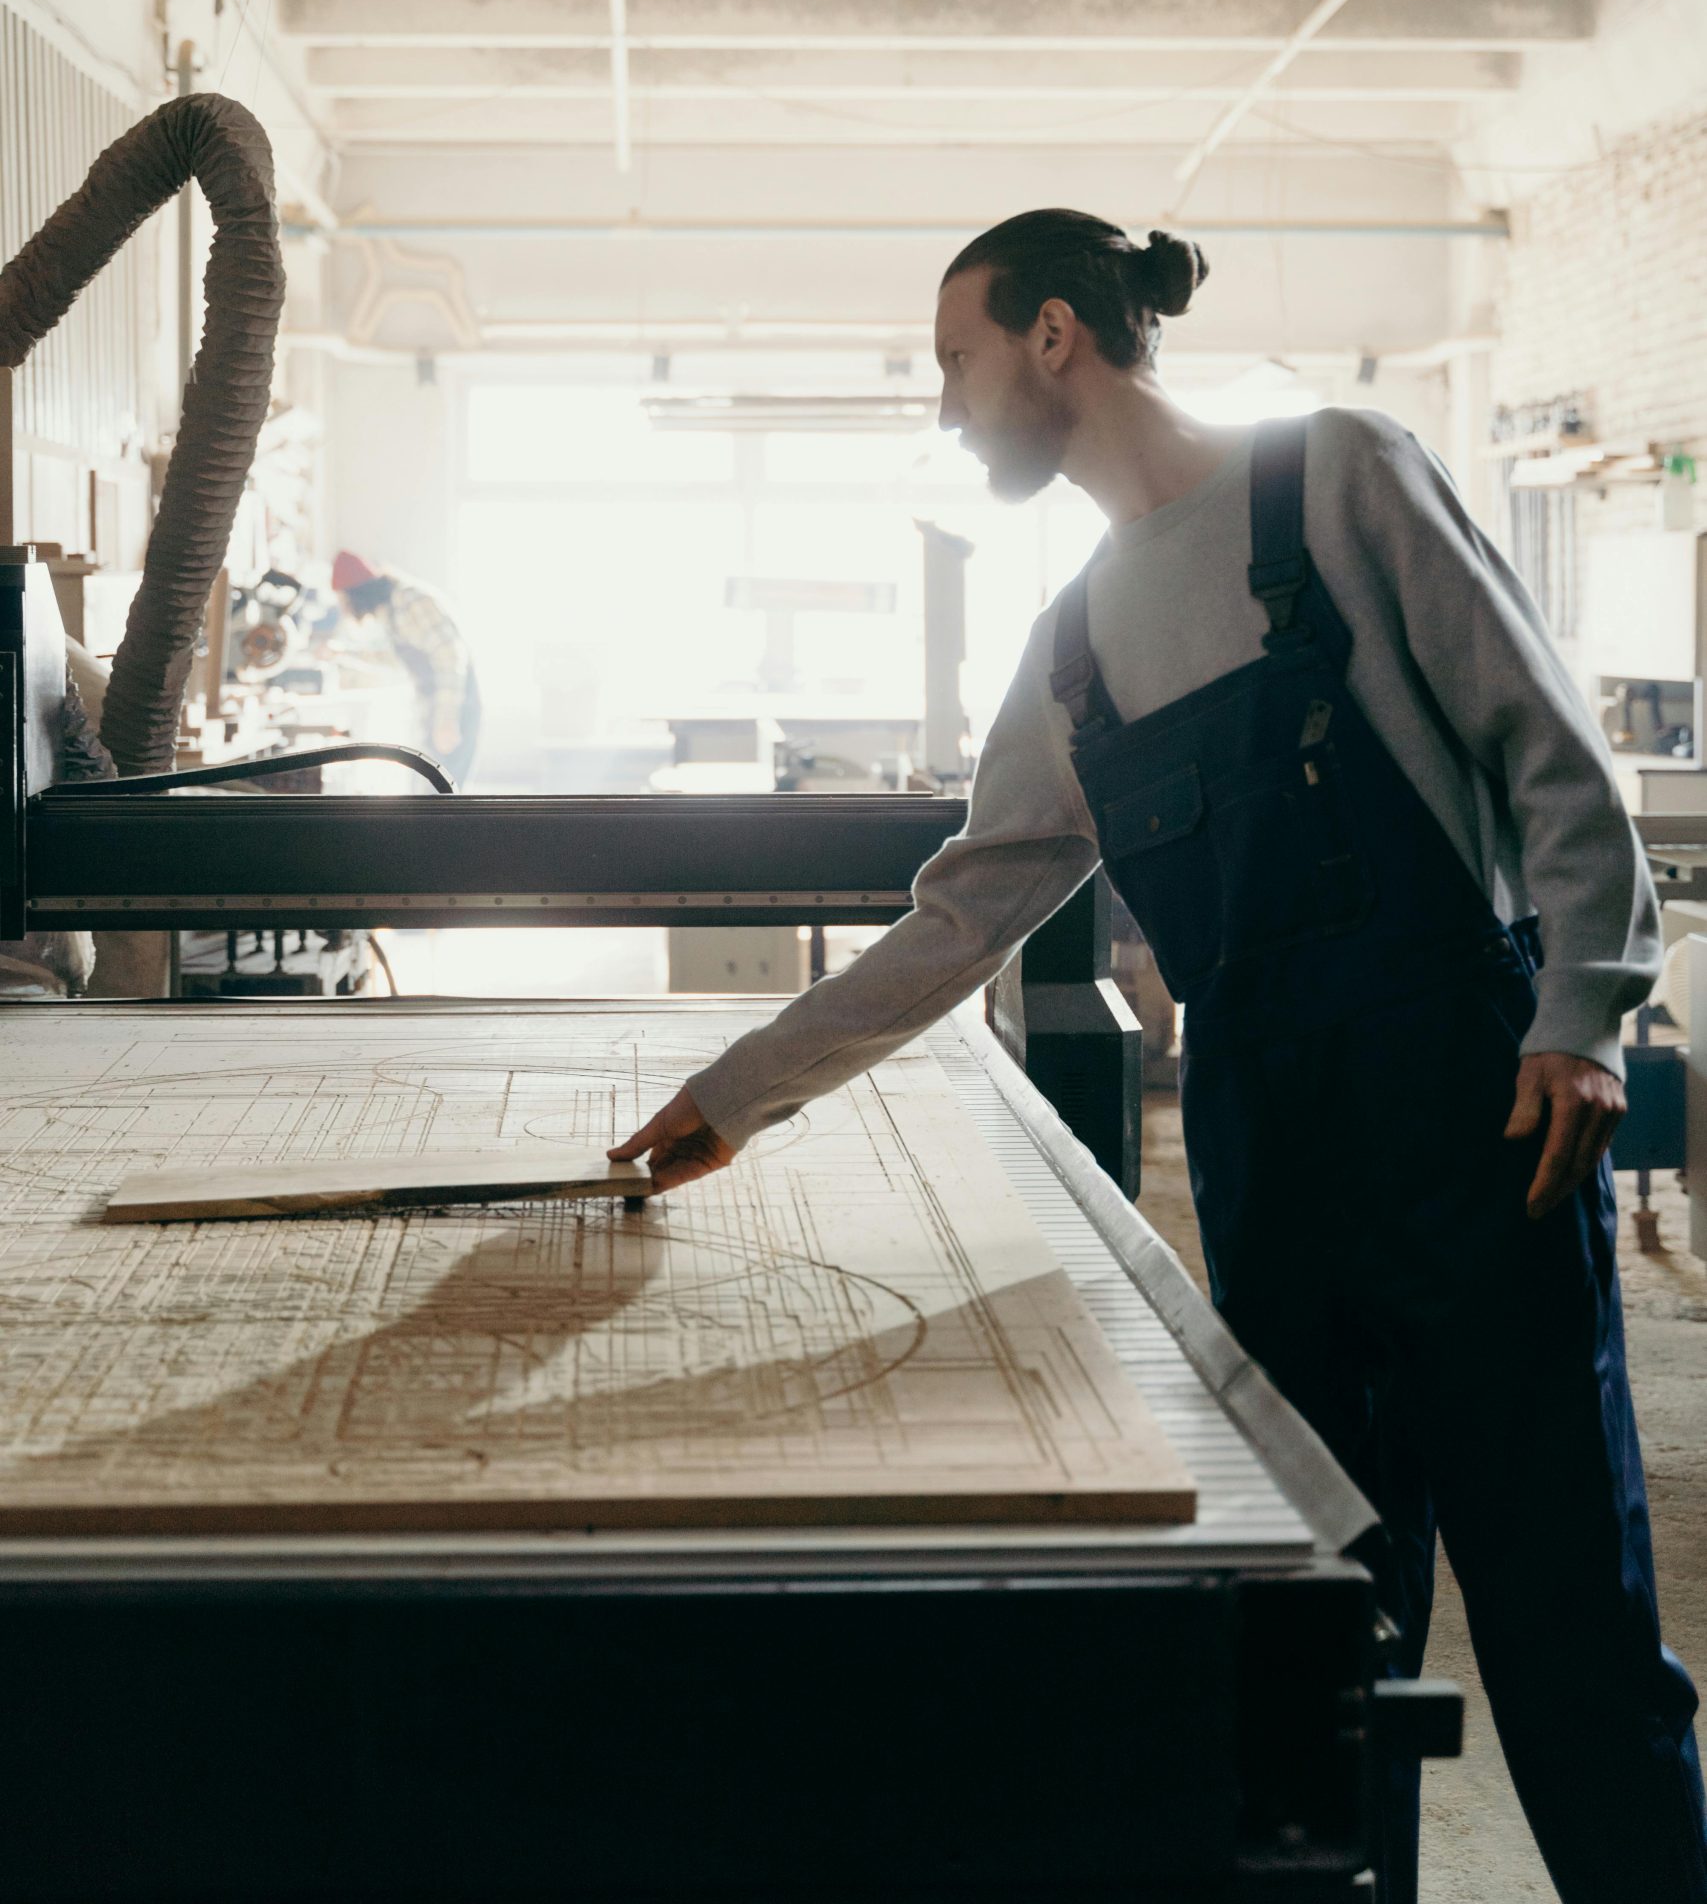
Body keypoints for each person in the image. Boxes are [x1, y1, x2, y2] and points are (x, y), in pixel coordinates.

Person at [613, 209, 1707, 1904]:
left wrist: (1581, 1017)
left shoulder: (1335, 478)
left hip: (1478, 1126)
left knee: (1571, 1642)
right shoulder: (1068, 647)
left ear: (1054, 337)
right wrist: (739, 1092)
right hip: (1272, 1160)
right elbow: (961, 916)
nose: (949, 405)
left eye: (954, 362)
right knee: (1320, 1650)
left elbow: (1552, 759)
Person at [331, 550, 481, 787]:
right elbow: (396, 660)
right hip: (431, 705)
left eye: (343, 601)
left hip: (455, 703)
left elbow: (449, 655)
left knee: (445, 796)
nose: (344, 609)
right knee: (426, 795)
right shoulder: (390, 610)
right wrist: (343, 654)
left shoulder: (410, 600)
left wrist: (446, 719)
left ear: (357, 594)